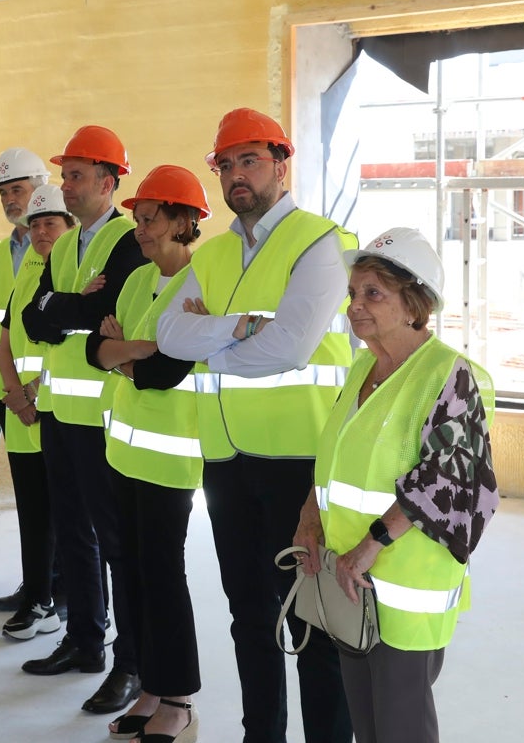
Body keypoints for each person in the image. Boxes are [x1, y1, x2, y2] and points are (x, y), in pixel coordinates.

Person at [156, 108, 355, 743]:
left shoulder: (322, 243)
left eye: (250, 160)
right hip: (225, 463)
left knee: (314, 624)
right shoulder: (212, 254)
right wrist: (238, 329)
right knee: (249, 615)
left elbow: (292, 346)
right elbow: (166, 333)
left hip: (299, 462)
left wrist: (207, 340)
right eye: (226, 164)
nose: (237, 174)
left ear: (280, 164)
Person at [292, 227, 498, 743]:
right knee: (366, 724)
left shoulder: (453, 376)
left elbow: (446, 478)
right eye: (353, 293)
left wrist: (370, 545)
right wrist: (309, 517)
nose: (354, 306)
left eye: (373, 293)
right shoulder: (362, 365)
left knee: (400, 725)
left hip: (406, 586)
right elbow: (335, 458)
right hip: (351, 577)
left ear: (414, 303)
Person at [21, 125, 147, 717]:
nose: (64, 187)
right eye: (65, 175)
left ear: (108, 181)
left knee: (115, 541)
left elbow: (107, 309)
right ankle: (85, 642)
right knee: (73, 532)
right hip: (59, 410)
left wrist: (66, 308)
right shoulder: (67, 246)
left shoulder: (127, 241)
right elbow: (33, 319)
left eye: (74, 176)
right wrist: (72, 309)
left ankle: (131, 663)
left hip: (103, 415)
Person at [86, 166, 209, 743]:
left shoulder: (202, 283)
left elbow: (165, 369)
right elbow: (94, 347)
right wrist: (129, 351)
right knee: (131, 571)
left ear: (185, 221)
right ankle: (152, 688)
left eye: (151, 218)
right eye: (136, 219)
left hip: (170, 459)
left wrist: (126, 354)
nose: (140, 229)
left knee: (163, 575)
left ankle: (178, 699)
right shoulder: (138, 281)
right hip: (123, 452)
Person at [0, 184, 74, 639]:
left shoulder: (74, 272)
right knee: (32, 513)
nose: (42, 231)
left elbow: (76, 343)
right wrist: (16, 392)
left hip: (54, 410)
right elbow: (5, 339)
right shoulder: (28, 267)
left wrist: (34, 394)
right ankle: (37, 595)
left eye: (51, 223)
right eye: (36, 224)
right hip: (22, 411)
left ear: (69, 227)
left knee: (63, 515)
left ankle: (55, 600)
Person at [0, 147, 47, 599]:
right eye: (5, 192)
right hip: (9, 390)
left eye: (17, 189)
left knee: (60, 503)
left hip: (47, 393)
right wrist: (9, 389)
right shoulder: (7, 249)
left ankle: (62, 594)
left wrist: (33, 389)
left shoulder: (56, 245)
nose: (10, 199)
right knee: (30, 503)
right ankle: (36, 585)